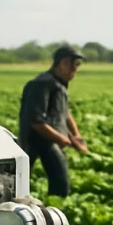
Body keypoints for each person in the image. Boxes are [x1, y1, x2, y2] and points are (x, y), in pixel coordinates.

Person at [17, 45, 89, 197]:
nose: (75, 71)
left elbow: (64, 112)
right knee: (19, 182)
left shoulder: (58, 85)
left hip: (51, 139)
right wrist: (64, 139)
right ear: (64, 63)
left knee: (58, 183)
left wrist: (76, 135)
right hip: (37, 140)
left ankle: (53, 210)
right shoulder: (42, 84)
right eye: (75, 66)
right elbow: (37, 122)